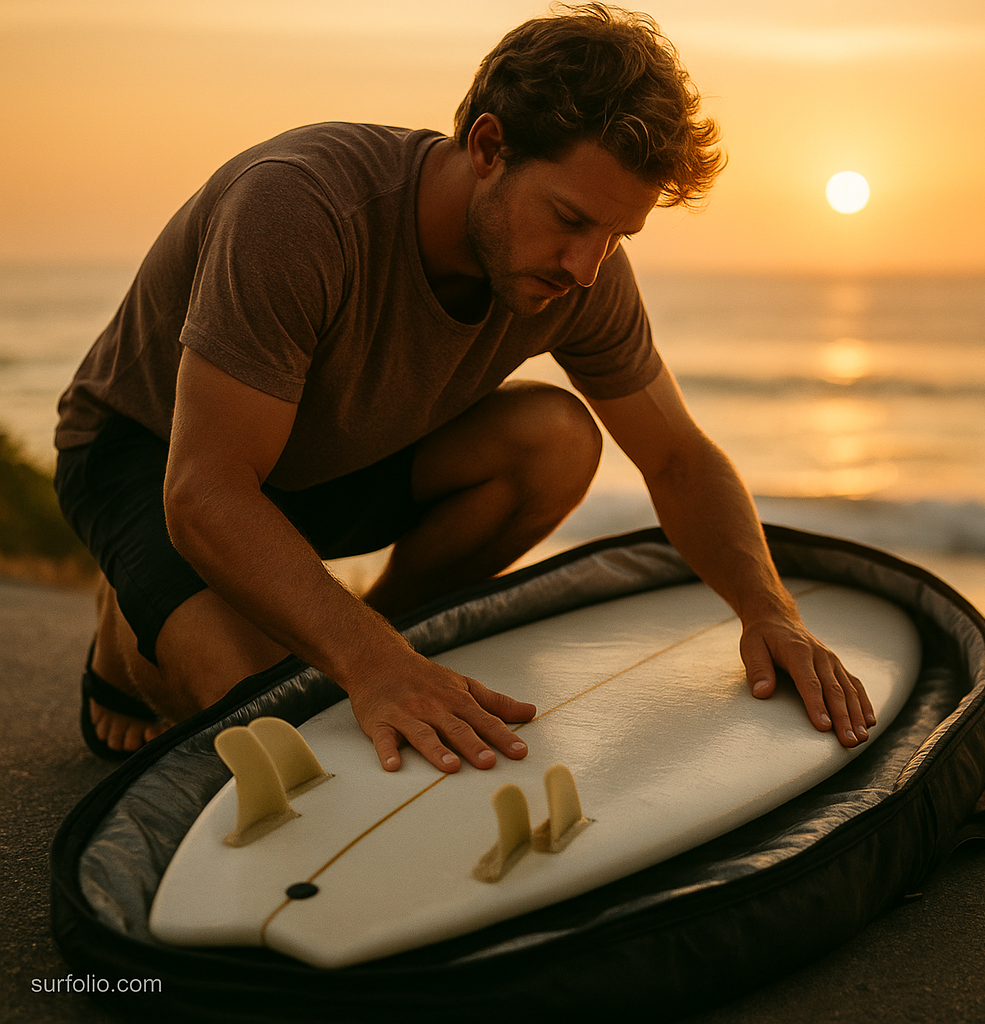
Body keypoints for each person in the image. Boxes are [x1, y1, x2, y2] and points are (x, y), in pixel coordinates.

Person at [54, 3, 875, 766]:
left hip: (330, 466)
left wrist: (771, 612)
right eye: (571, 219)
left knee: (557, 440)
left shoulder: (582, 274)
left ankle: (377, 636)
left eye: (619, 234)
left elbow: (678, 459)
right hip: (161, 460)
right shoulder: (300, 207)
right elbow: (205, 493)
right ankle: (129, 636)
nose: (585, 267)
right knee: (292, 730)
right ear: (488, 149)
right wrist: (368, 666)